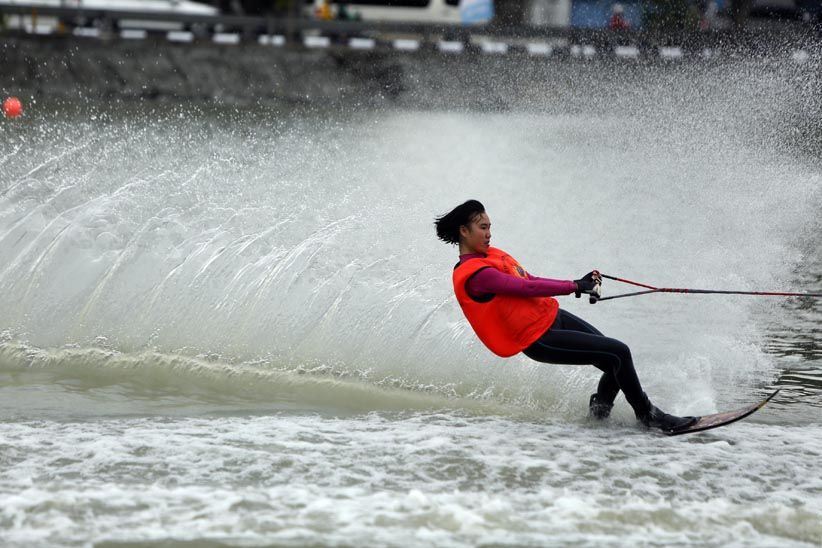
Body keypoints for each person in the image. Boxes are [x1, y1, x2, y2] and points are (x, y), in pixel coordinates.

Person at [435, 199, 696, 433]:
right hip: (538, 338)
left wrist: (580, 283)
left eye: (490, 226)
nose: (489, 233)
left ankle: (599, 413)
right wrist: (575, 286)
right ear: (464, 231)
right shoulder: (477, 274)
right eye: (482, 227)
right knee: (619, 352)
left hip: (553, 317)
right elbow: (527, 289)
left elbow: (532, 279)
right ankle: (648, 416)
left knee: (615, 363)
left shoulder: (491, 256)